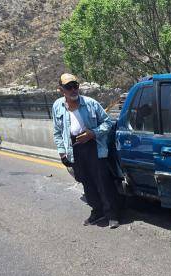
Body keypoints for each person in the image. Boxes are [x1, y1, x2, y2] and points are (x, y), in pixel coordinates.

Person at [52, 73, 122, 228]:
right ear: (61, 90)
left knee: (103, 182)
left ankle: (112, 214)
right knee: (87, 182)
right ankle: (97, 211)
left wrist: (93, 133)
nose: (73, 89)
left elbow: (107, 123)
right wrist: (62, 152)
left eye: (75, 86)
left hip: (93, 146)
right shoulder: (57, 106)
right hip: (74, 148)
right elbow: (57, 131)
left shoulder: (90, 103)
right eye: (68, 87)